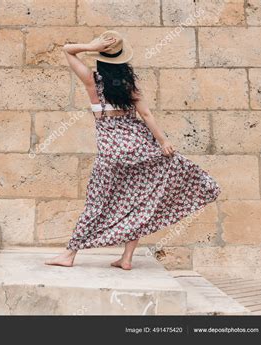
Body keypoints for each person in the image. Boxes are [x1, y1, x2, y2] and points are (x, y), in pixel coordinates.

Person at [45, 30, 221, 270]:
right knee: (138, 202)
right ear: (122, 60)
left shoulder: (92, 81)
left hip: (111, 152)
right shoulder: (130, 85)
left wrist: (89, 45)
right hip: (139, 148)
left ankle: (70, 254)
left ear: (101, 58)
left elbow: (67, 49)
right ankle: (127, 258)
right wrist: (163, 142)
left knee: (97, 203)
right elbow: (146, 115)